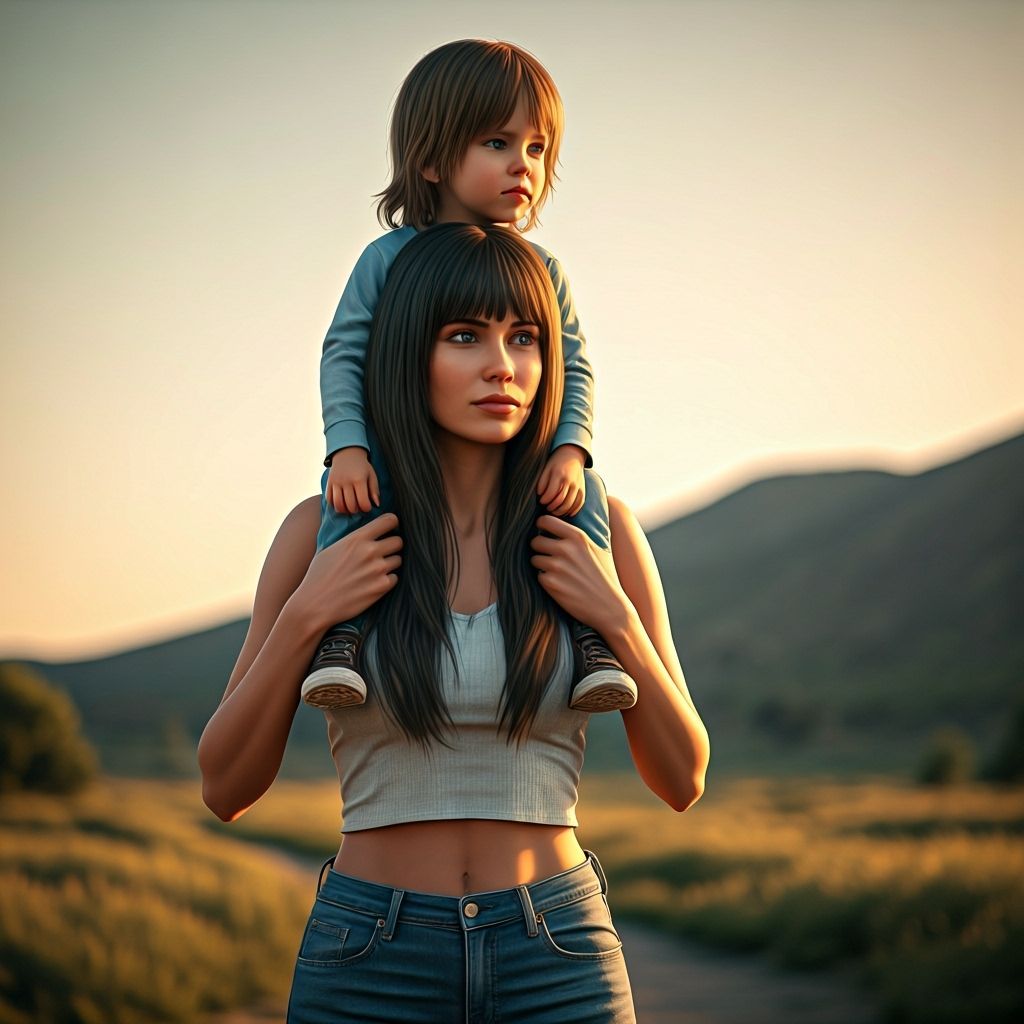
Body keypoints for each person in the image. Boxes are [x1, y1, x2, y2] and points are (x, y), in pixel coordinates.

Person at [198, 223, 710, 1023]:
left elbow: (683, 781)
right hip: (368, 954)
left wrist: (615, 618)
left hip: (560, 954)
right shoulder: (318, 532)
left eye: (525, 338)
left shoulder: (602, 531)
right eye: (464, 336)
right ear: (406, 355)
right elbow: (224, 786)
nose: (502, 366)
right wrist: (308, 616)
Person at [303, 38, 637, 715]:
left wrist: (571, 450)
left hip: (525, 464)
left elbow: (573, 364)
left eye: (538, 149)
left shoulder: (541, 269)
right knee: (353, 504)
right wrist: (347, 446)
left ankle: (591, 640)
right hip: (397, 453)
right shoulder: (389, 258)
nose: (524, 165)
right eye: (497, 143)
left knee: (589, 498)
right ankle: (340, 637)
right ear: (430, 158)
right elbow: (344, 350)